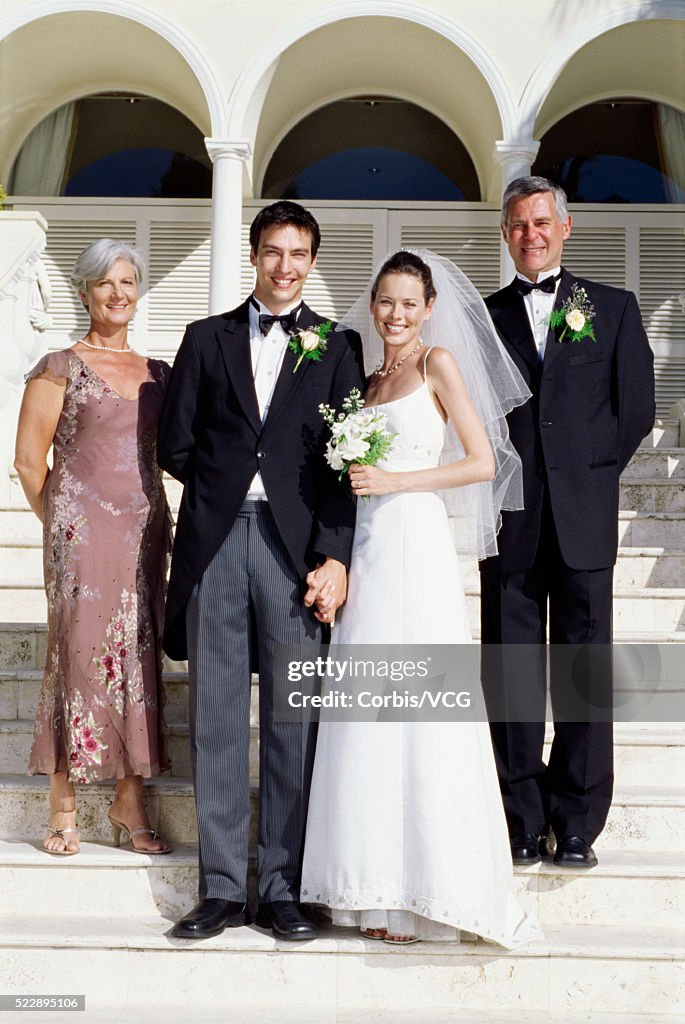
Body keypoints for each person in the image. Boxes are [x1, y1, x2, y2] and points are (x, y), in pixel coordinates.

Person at [301, 250, 541, 948]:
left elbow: (482, 461)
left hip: (414, 544)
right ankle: (371, 891)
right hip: (366, 552)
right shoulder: (367, 379)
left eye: (408, 302)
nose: (395, 314)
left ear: (429, 306)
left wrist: (398, 482)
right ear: (372, 305)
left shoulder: (437, 364)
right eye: (385, 301)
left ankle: (426, 889)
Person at [158, 201, 365, 941]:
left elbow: (348, 465)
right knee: (214, 718)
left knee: (292, 720)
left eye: (298, 253)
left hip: (294, 546)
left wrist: (334, 553)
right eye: (273, 251)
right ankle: (218, 889)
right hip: (216, 539)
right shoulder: (204, 339)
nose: (285, 266)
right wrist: (225, 485)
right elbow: (175, 445)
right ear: (253, 255)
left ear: (312, 261)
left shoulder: (339, 347)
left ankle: (280, 888)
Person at [480, 176, 656, 869]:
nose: (531, 234)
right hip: (509, 522)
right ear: (506, 234)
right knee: (512, 673)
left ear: (565, 226)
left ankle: (577, 821)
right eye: (518, 224)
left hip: (583, 519)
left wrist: (584, 475)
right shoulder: (482, 318)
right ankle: (519, 818)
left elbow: (634, 409)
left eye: (541, 222)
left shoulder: (610, 309)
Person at [14, 239, 172, 857]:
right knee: (77, 657)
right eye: (105, 283)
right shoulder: (59, 365)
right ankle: (63, 801)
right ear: (85, 292)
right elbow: (30, 462)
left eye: (128, 283)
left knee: (136, 658)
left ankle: (128, 798)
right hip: (79, 532)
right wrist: (63, 523)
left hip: (144, 529)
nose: (118, 294)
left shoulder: (161, 372)